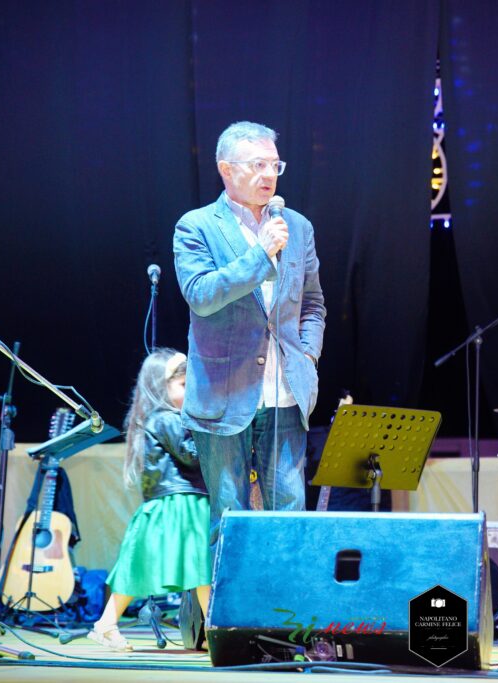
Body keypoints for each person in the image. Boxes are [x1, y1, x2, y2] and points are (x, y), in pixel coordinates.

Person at [173, 121, 326, 555]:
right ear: (226, 169)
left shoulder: (297, 226)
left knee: (291, 516)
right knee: (229, 519)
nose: (269, 174)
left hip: (287, 394)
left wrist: (308, 357)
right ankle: (227, 623)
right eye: (257, 164)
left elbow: (312, 304)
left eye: (274, 164)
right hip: (224, 397)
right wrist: (260, 254)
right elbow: (202, 296)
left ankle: (287, 622)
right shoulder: (197, 226)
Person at [89, 349, 211, 652]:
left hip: (175, 502)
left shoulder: (157, 419)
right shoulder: (166, 418)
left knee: (195, 571)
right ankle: (214, 631)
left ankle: (211, 630)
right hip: (178, 502)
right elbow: (193, 456)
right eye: (184, 385)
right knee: (201, 569)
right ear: (161, 387)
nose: (191, 391)